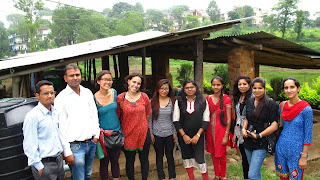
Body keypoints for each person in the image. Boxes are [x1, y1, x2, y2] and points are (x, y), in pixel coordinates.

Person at [54, 64, 100, 180]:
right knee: (79, 177)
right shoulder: (61, 98)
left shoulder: (87, 93)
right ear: (65, 78)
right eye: (71, 76)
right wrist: (67, 151)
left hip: (90, 142)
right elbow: (60, 126)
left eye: (77, 75)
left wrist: (96, 135)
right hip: (75, 146)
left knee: (87, 175)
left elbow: (94, 114)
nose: (75, 78)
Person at [23, 80, 64, 180]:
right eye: (46, 93)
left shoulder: (55, 112)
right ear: (37, 95)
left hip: (58, 160)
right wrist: (39, 166)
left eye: (52, 93)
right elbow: (29, 144)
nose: (50, 96)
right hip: (45, 164)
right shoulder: (33, 116)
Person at [275, 77, 313, 180]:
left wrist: (304, 156)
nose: (289, 90)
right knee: (283, 178)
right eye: (286, 88)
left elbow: (308, 134)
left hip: (297, 151)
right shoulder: (282, 105)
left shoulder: (306, 109)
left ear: (298, 88)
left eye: (292, 87)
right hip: (281, 148)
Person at [117, 73, 152, 180]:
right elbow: (118, 116)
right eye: (134, 82)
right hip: (128, 135)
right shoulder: (120, 98)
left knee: (144, 159)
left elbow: (148, 113)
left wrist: (142, 125)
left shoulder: (144, 97)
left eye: (138, 83)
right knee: (130, 161)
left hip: (143, 134)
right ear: (128, 81)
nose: (136, 85)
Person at [242, 77, 278, 180]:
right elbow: (247, 118)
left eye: (260, 88)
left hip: (261, 142)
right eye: (255, 88)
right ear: (252, 89)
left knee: (252, 174)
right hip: (248, 140)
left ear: (265, 89)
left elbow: (274, 125)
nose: (257, 91)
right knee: (255, 172)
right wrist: (244, 129)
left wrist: (259, 135)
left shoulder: (270, 104)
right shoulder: (249, 101)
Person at [173, 79, 210, 180]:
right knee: (187, 158)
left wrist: (197, 135)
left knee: (201, 160)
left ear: (196, 88)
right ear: (183, 89)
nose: (190, 89)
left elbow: (206, 120)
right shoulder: (179, 101)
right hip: (184, 137)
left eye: (192, 87)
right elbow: (176, 120)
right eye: (187, 88)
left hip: (198, 137)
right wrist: (184, 136)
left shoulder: (203, 101)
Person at [94, 70, 121, 180]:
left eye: (110, 79)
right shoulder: (93, 98)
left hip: (116, 132)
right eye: (105, 79)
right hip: (102, 135)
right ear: (98, 81)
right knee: (104, 162)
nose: (108, 82)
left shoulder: (114, 92)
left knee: (115, 161)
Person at [205, 76, 232, 180]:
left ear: (222, 86)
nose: (215, 87)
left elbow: (229, 120)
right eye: (214, 85)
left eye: (218, 85)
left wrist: (226, 135)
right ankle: (216, 175)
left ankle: (223, 175)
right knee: (213, 153)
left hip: (221, 131)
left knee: (222, 153)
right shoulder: (208, 98)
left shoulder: (226, 99)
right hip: (209, 131)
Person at [149, 79, 177, 180]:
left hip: (170, 133)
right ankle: (162, 177)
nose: (164, 91)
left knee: (170, 156)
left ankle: (172, 176)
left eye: (166, 89)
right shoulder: (152, 102)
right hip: (157, 134)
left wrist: (174, 132)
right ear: (158, 89)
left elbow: (174, 119)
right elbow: (150, 120)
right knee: (159, 156)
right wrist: (151, 134)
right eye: (162, 88)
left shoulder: (173, 102)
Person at [232, 75, 253, 180]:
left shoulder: (253, 97)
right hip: (240, 131)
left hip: (250, 131)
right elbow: (237, 116)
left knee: (250, 159)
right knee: (244, 158)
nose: (242, 86)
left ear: (249, 85)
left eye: (244, 84)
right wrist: (236, 133)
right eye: (240, 84)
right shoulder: (239, 98)